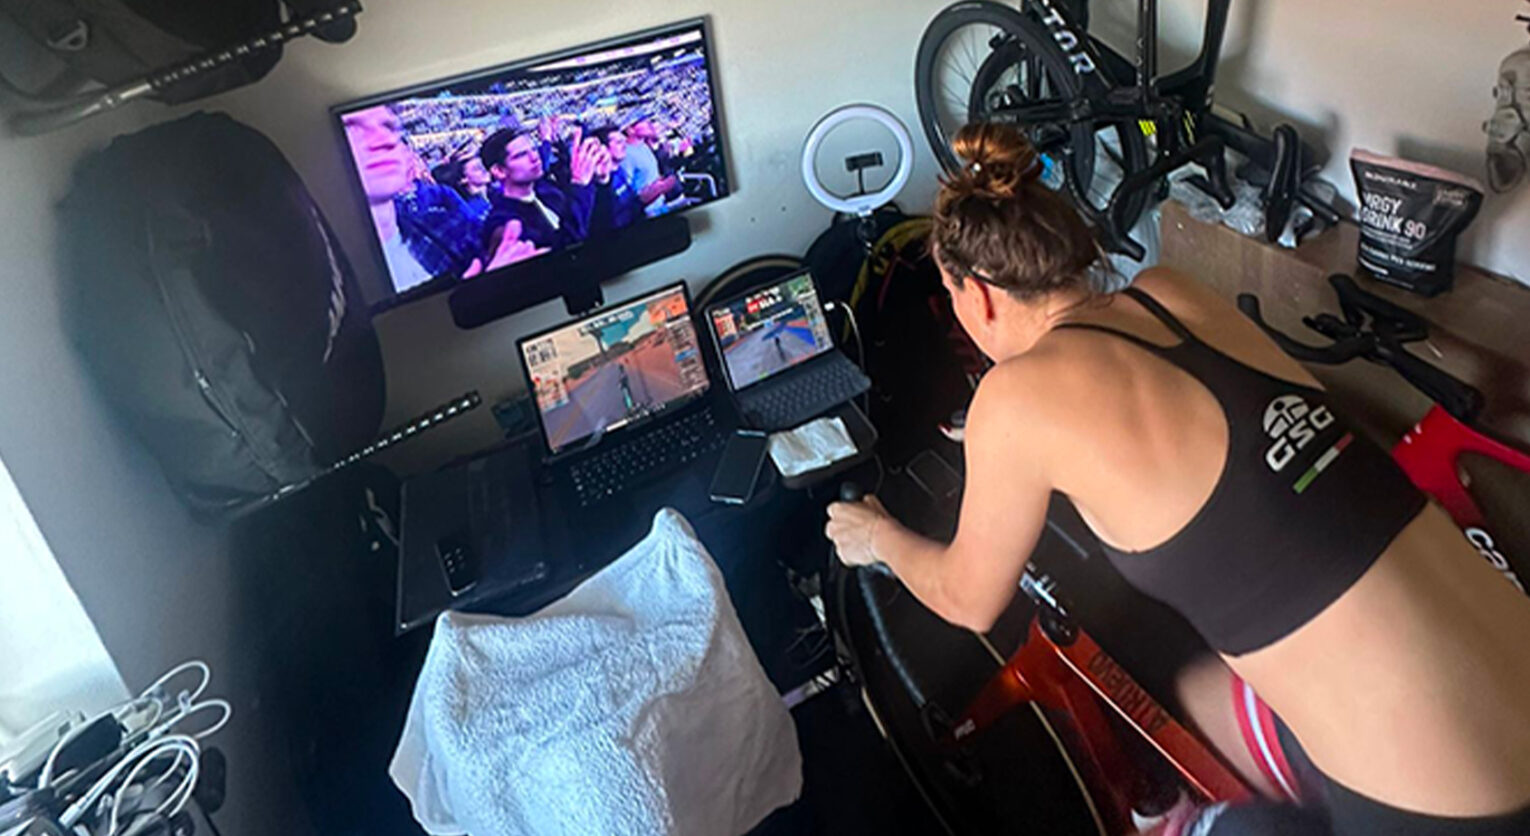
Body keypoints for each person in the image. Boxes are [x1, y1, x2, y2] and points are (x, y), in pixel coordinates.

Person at [824, 123, 1530, 836]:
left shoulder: (1014, 399)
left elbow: (969, 601)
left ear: (977, 297)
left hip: (1463, 804)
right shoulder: (1169, 294)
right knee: (1197, 694)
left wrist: (876, 536)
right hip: (1504, 657)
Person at [342, 105, 538, 292]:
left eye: (388, 126)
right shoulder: (342, 277)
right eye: (352, 128)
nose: (385, 139)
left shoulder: (450, 228)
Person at [479, 125, 607, 254]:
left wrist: (602, 181)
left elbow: (591, 226)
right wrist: (579, 185)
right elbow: (564, 250)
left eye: (534, 149)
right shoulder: (503, 223)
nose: (535, 157)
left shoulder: (549, 191)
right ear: (499, 171)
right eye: (521, 155)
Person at [617, 116, 680, 218]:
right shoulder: (626, 154)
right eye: (642, 121)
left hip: (660, 205)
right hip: (648, 212)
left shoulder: (644, 146)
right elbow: (628, 190)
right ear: (630, 130)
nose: (648, 123)